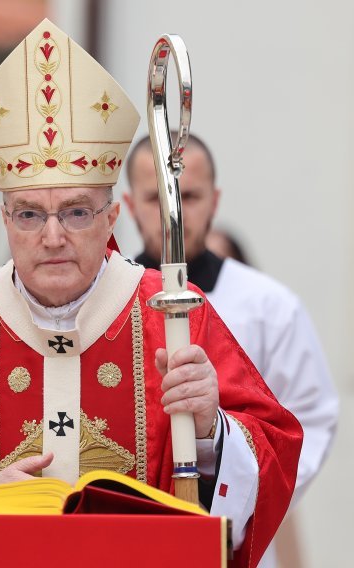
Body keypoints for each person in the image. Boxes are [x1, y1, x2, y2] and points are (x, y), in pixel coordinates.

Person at [0, 19, 302, 568]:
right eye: (30, 214)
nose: (53, 235)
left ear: (112, 216)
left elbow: (273, 444)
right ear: (5, 219)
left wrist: (212, 428)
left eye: (77, 211)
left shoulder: (171, 311)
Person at [123, 132, 339, 567]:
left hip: (239, 537)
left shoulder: (269, 305)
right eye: (155, 198)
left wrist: (239, 492)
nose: (174, 214)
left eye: (190, 195)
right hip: (131, 535)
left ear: (216, 201)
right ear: (128, 206)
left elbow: (309, 420)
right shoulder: (108, 303)